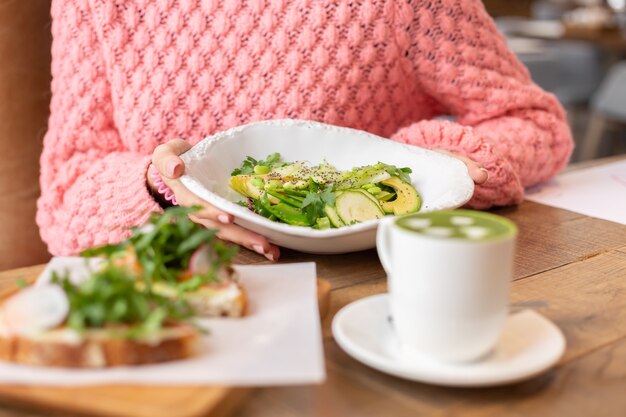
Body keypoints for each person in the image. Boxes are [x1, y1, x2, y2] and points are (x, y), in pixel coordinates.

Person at [37, 0, 573, 261]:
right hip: (183, 287)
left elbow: (533, 123)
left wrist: (420, 164)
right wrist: (158, 189)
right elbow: (66, 189)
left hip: (372, 289)